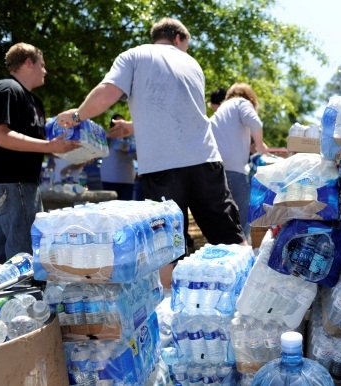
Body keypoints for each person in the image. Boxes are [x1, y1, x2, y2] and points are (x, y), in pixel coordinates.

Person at [56, 18, 247, 258]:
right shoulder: (192, 63)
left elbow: (108, 92)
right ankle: (247, 287)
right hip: (205, 161)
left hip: (162, 167)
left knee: (167, 246)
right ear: (178, 39)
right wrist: (132, 127)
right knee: (229, 236)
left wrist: (76, 115)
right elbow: (183, 116)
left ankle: (168, 294)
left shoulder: (134, 56)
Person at [0, 42, 80, 263]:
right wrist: (50, 146)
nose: (45, 71)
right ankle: (21, 298)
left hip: (17, 184)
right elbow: (1, 136)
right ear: (27, 63)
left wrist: (73, 150)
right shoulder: (7, 89)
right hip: (11, 182)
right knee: (23, 252)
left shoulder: (33, 101)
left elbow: (40, 143)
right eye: (41, 65)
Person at [210, 83, 269, 240]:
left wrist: (253, 146)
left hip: (214, 171)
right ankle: (241, 256)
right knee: (242, 223)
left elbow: (229, 140)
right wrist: (261, 146)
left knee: (223, 222)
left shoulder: (222, 111)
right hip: (234, 171)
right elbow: (255, 123)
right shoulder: (242, 103)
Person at [100, 113, 136, 200]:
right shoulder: (107, 137)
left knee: (126, 210)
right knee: (109, 210)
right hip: (109, 179)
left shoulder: (131, 137)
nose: (119, 126)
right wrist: (109, 134)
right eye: (116, 124)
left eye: (121, 123)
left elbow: (137, 156)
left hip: (127, 180)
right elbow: (97, 146)